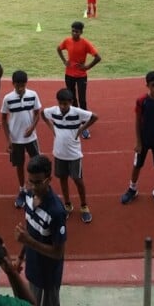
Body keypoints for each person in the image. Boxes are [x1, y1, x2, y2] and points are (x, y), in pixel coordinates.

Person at [16, 154, 68, 306]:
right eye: (30, 181)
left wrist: (28, 241)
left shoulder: (56, 211)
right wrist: (21, 257)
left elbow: (58, 253)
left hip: (47, 277)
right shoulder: (29, 197)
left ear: (49, 180)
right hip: (34, 269)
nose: (33, 186)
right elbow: (30, 230)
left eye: (38, 182)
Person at [42, 89, 97, 225]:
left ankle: (84, 206)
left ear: (71, 103)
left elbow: (94, 116)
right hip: (59, 153)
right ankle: (67, 204)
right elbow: (42, 114)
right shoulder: (53, 111)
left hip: (74, 154)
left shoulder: (77, 112)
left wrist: (81, 129)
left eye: (65, 104)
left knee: (78, 180)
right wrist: (51, 128)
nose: (62, 107)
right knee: (62, 179)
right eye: (60, 103)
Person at [119, 71, 154, 208]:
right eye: (153, 85)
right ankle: (132, 188)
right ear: (147, 85)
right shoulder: (142, 101)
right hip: (144, 140)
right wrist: (138, 142)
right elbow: (137, 122)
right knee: (137, 165)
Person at [1, 70, 43, 208]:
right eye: (18, 85)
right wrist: (8, 140)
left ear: (26, 83)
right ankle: (22, 190)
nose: (20, 88)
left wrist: (32, 127)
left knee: (37, 164)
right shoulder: (8, 98)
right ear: (13, 84)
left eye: (23, 85)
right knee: (19, 165)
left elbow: (38, 113)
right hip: (16, 139)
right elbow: (3, 119)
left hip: (31, 138)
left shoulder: (33, 95)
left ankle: (39, 191)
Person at [56, 21, 101, 139]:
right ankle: (74, 121)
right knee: (71, 99)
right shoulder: (67, 41)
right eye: (72, 31)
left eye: (76, 31)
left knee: (82, 100)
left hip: (81, 76)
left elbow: (98, 57)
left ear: (81, 32)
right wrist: (64, 61)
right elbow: (59, 49)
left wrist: (87, 67)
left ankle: (85, 126)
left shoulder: (85, 43)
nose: (74, 33)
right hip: (69, 74)